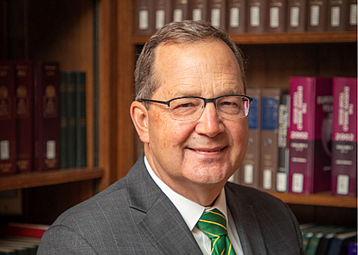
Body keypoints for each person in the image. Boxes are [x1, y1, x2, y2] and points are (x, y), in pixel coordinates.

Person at [37, 20, 304, 255]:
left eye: (228, 103)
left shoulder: (277, 218)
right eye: (185, 105)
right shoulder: (80, 242)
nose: (211, 127)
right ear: (143, 121)